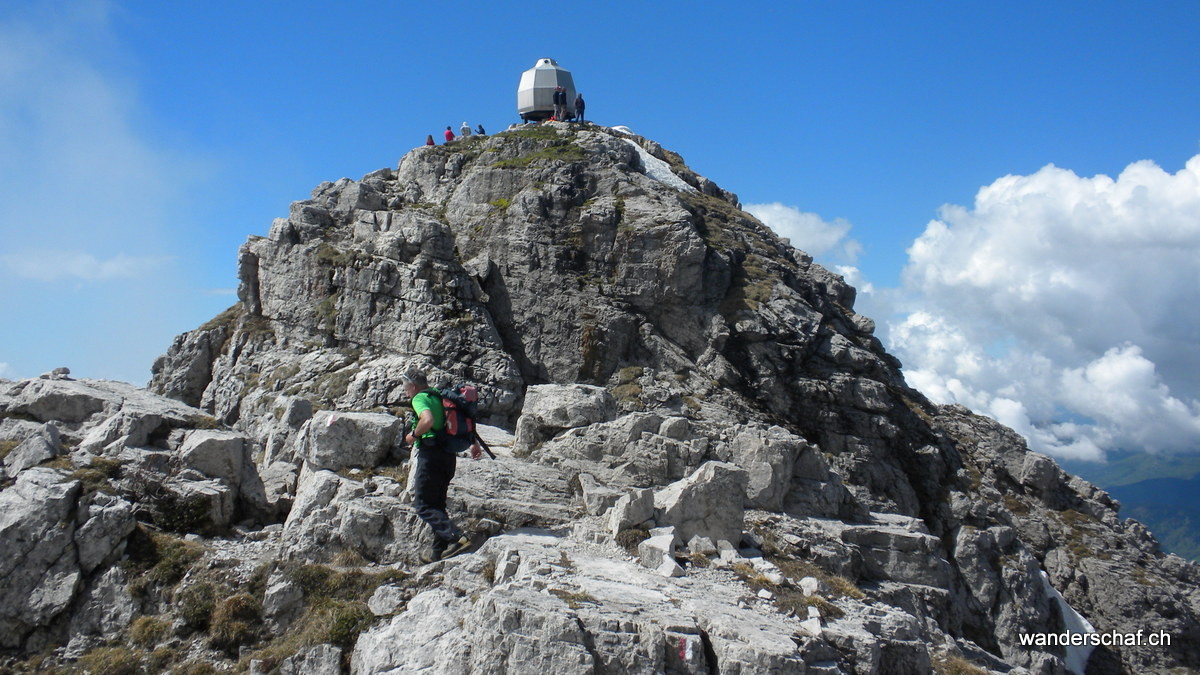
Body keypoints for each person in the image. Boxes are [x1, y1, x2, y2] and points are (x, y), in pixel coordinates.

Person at [403, 368, 473, 562]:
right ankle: (437, 553)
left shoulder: (419, 398)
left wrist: (413, 435)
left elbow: (428, 420)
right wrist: (474, 444)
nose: (405, 391)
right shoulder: (438, 396)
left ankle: (458, 537)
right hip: (448, 455)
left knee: (423, 505)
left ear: (413, 386)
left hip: (431, 455)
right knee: (437, 504)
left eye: (405, 386)